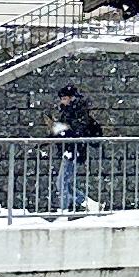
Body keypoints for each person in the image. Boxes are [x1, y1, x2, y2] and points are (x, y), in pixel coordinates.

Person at [50, 82, 101, 212]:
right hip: (69, 150)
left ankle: (65, 210)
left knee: (62, 183)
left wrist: (62, 130)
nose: (62, 101)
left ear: (71, 98)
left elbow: (78, 130)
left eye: (65, 98)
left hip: (74, 150)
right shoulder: (68, 111)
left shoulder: (78, 111)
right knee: (64, 183)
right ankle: (88, 204)